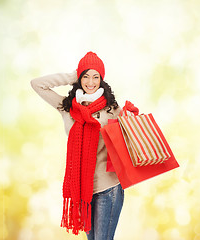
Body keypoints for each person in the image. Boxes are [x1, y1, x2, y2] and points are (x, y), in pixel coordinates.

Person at [30, 51, 124, 239]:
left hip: (109, 188)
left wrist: (129, 118)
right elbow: (37, 84)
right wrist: (73, 75)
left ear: (101, 79)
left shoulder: (111, 109)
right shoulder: (67, 107)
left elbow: (127, 140)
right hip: (84, 192)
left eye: (96, 77)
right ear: (79, 78)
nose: (91, 82)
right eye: (86, 76)